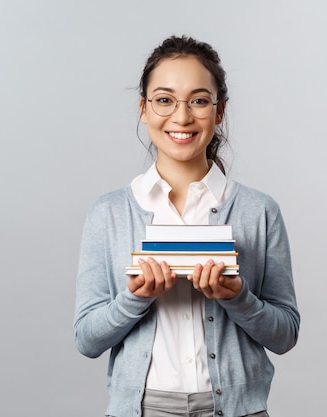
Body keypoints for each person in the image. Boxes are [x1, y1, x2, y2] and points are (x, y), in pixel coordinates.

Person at [74, 35, 300, 417]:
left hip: (237, 410)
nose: (181, 117)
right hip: (142, 410)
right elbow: (87, 339)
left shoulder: (258, 210)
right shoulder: (109, 213)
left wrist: (236, 297)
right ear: (143, 109)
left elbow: (285, 334)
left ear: (220, 110)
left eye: (198, 100)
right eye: (164, 100)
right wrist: (135, 298)